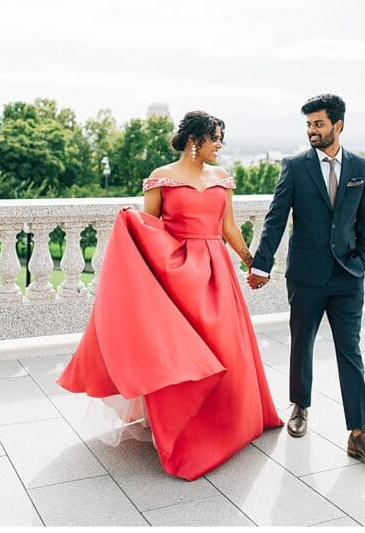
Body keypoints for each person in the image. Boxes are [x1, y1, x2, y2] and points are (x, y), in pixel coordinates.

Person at [57, 111, 283, 480]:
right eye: (216, 139)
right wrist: (130, 224)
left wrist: (249, 262)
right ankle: (183, 431)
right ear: (196, 140)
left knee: (225, 347)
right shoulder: (160, 178)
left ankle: (231, 423)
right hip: (178, 275)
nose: (220, 146)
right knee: (180, 354)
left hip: (217, 273)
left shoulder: (221, 179)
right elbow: (152, 229)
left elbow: (227, 226)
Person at [247, 94, 365, 462]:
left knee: (351, 351)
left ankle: (359, 433)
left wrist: (362, 263)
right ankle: (299, 406)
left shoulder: (363, 167)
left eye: (319, 124)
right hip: (306, 276)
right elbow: (276, 218)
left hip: (348, 277)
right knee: (302, 344)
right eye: (309, 124)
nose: (312, 130)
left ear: (338, 125)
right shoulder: (294, 166)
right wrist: (262, 265)